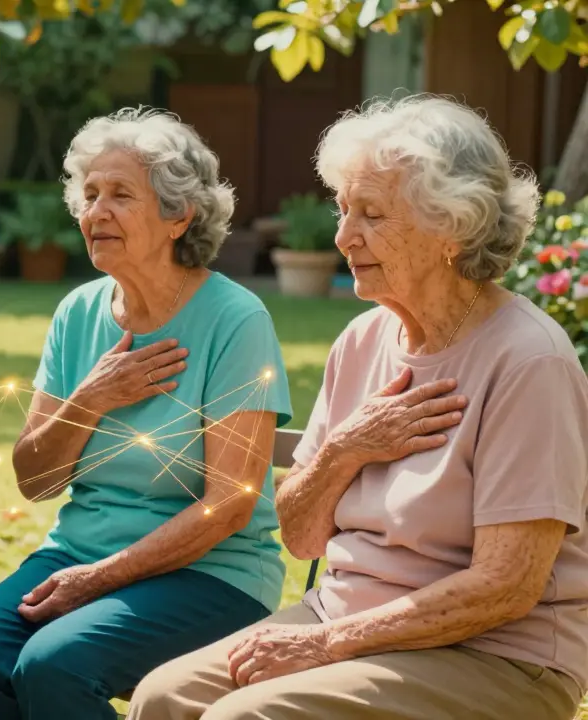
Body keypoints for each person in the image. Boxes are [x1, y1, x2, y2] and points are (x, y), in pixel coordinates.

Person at [127, 95, 588, 720]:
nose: (344, 236)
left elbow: (506, 586)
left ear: (452, 226)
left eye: (372, 215)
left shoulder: (529, 361)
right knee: (163, 698)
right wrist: (348, 448)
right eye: (344, 209)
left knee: (243, 718)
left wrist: (323, 645)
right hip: (345, 616)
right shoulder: (363, 341)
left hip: (495, 654)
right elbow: (301, 535)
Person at [0, 107, 293, 720]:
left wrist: (98, 579)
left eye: (120, 195)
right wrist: (90, 400)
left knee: (55, 664)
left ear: (179, 216)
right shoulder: (79, 312)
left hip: (214, 575)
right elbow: (35, 480)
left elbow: (229, 505)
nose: (95, 212)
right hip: (77, 552)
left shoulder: (236, 320)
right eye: (90, 194)